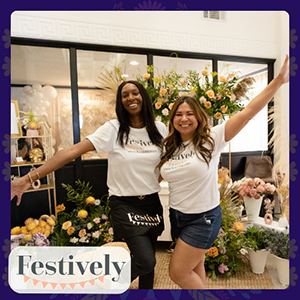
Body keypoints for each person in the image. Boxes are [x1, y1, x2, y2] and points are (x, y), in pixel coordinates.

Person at [11, 80, 168, 289]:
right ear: (120, 102)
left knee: (149, 261)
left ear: (144, 97)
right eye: (125, 95)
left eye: (135, 93)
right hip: (125, 204)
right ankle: (104, 286)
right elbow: (71, 152)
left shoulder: (159, 128)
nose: (130, 97)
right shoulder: (114, 129)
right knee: (145, 260)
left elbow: (165, 163)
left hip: (151, 203)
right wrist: (26, 179)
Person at [157, 55, 289, 289]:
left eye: (189, 114)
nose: (184, 118)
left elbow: (248, 112)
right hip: (177, 216)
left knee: (177, 273)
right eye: (178, 114)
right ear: (172, 119)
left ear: (198, 116)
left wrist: (278, 81)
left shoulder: (212, 139)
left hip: (203, 218)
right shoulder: (168, 146)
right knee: (193, 268)